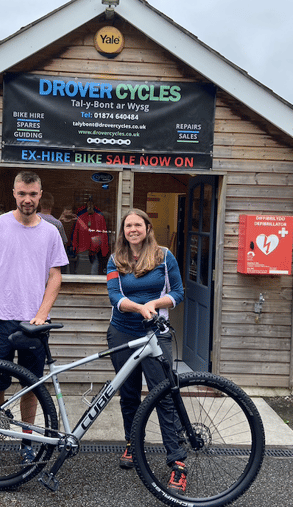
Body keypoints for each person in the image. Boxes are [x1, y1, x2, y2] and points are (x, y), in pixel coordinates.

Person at [0, 170, 68, 475]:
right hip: (0, 318)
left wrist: (42, 312)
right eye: (22, 194)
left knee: (30, 386)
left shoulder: (50, 231)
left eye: (33, 194)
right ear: (14, 193)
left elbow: (55, 276)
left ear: (40, 195)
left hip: (34, 323)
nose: (27, 199)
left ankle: (26, 445)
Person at [105, 208, 188, 492]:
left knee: (163, 395)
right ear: (123, 231)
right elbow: (115, 295)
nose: (133, 230)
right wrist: (139, 306)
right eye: (128, 226)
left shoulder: (165, 256)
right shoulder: (115, 258)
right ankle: (132, 443)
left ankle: (177, 462)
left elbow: (178, 292)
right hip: (122, 333)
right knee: (128, 395)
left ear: (147, 227)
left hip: (156, 334)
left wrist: (154, 305)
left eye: (137, 224)